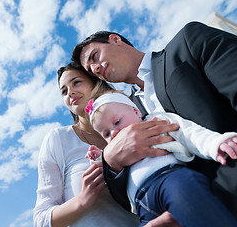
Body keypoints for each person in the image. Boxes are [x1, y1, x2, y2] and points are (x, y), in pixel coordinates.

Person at [71, 21, 237, 216]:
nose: (96, 69)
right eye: (91, 70)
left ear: (115, 40)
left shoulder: (188, 43)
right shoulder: (124, 116)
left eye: (94, 57)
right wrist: (111, 161)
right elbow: (129, 196)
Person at [34, 63, 182, 227]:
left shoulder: (135, 122)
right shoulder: (59, 139)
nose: (70, 92)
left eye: (76, 82)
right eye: (64, 91)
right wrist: (83, 199)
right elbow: (41, 221)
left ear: (96, 82)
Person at [84, 83, 237, 226]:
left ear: (136, 111)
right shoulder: (115, 151)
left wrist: (216, 143)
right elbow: (108, 171)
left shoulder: (155, 121)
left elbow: (188, 132)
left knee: (194, 203)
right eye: (106, 134)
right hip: (142, 203)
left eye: (117, 122)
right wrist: (99, 157)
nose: (114, 133)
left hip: (170, 179)